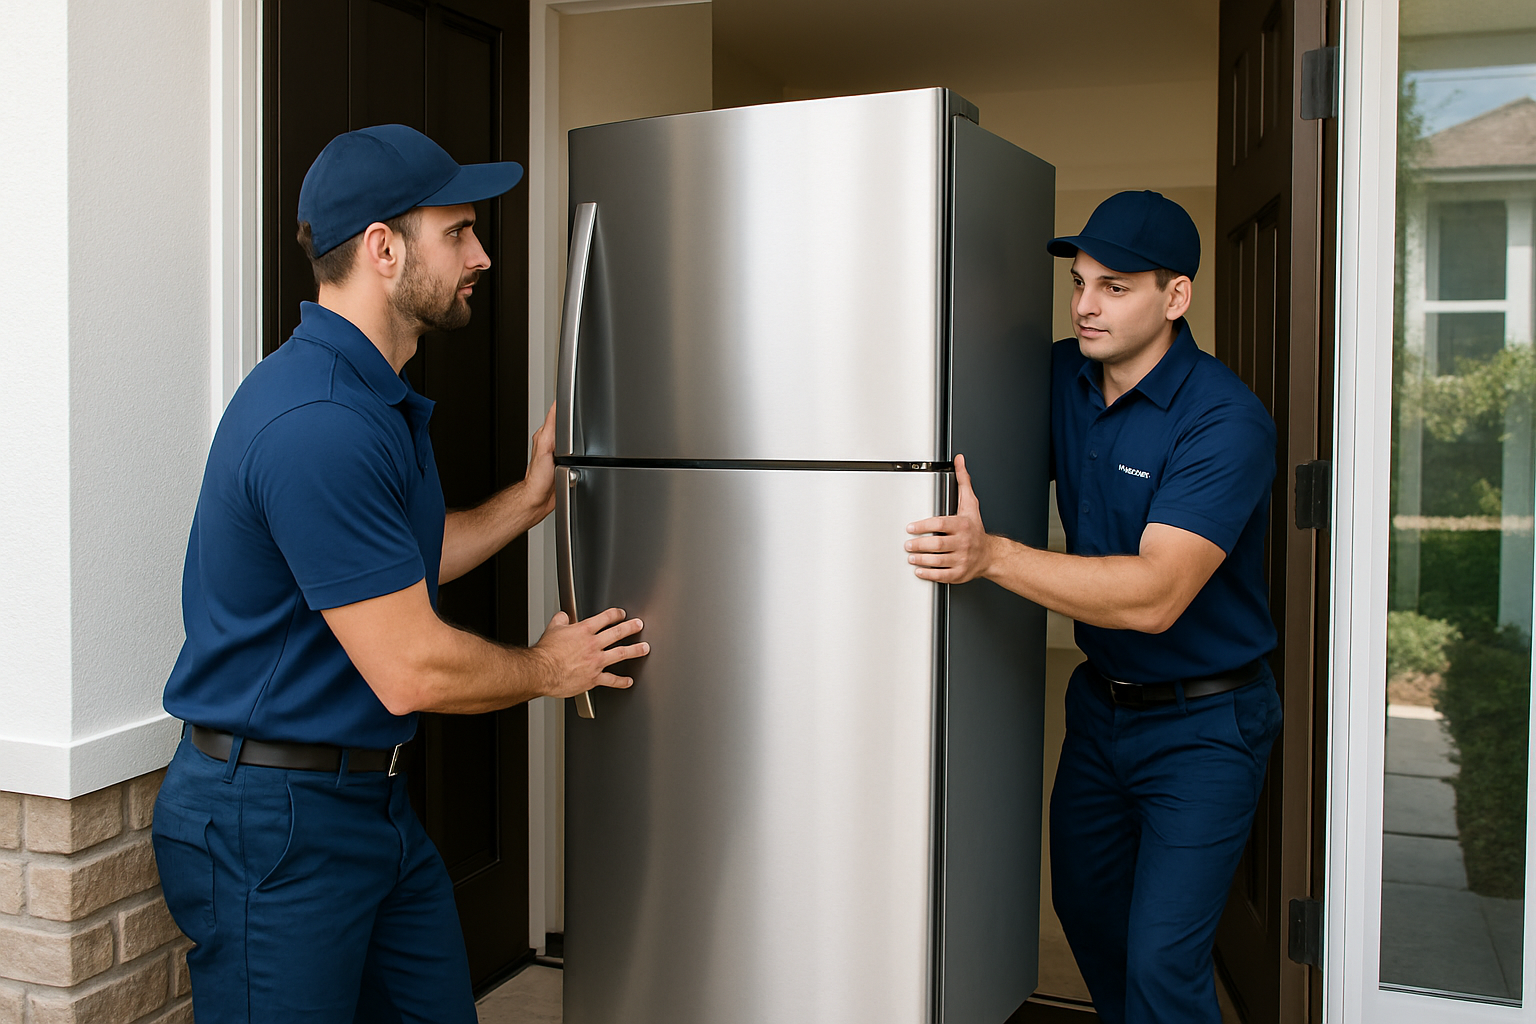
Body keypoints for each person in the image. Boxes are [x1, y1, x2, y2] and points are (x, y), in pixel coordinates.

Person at [153, 124, 649, 1023]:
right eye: (458, 232)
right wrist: (551, 667)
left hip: (366, 803)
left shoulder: (377, 400)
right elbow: (410, 664)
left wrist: (530, 502)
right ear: (383, 249)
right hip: (273, 823)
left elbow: (401, 567)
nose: (483, 255)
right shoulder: (319, 423)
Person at [904, 190, 1283, 1024]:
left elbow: (1154, 597)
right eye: (1079, 282)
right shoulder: (1060, 377)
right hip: (1101, 710)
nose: (1084, 305)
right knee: (1095, 927)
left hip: (1206, 728)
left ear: (1174, 296)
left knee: (1161, 963)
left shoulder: (1225, 421)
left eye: (1115, 287)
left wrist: (992, 556)